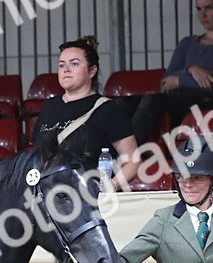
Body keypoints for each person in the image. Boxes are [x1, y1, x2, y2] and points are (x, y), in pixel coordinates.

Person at [33, 36, 139, 188]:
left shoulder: (108, 109)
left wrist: (111, 185)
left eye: (74, 64)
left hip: (86, 201)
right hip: (46, 197)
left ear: (92, 71)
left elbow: (133, 161)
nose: (66, 70)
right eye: (61, 65)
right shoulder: (49, 106)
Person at [127, 0, 213, 145]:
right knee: (123, 103)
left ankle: (131, 156)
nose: (202, 15)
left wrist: (181, 79)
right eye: (199, 9)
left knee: (152, 101)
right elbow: (167, 81)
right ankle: (109, 154)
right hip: (179, 97)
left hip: (209, 100)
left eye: (209, 8)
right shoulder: (188, 43)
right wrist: (193, 70)